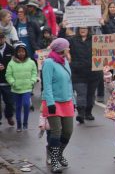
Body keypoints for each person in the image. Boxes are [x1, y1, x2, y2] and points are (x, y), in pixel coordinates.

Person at [41, 38, 74, 173]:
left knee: (68, 131)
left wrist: (74, 101)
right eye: (68, 47)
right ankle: (54, 161)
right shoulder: (48, 63)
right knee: (56, 131)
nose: (69, 49)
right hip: (53, 102)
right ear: (61, 49)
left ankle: (58, 153)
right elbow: (47, 84)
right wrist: (50, 103)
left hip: (67, 101)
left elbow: (69, 82)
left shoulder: (65, 61)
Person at [59, 26, 102, 123]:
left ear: (89, 29)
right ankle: (81, 113)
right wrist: (63, 28)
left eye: (85, 28)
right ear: (78, 30)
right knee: (81, 94)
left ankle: (88, 112)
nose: (83, 30)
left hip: (93, 73)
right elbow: (61, 42)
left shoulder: (95, 40)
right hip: (78, 72)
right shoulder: (72, 40)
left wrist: (103, 24)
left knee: (90, 94)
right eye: (81, 28)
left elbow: (108, 42)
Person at [5, 42, 37, 131]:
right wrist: (13, 83)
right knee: (18, 107)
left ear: (26, 52)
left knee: (26, 105)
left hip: (27, 88)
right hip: (16, 89)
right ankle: (19, 125)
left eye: (23, 51)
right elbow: (8, 75)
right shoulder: (11, 63)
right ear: (16, 53)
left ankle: (25, 123)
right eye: (19, 51)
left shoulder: (31, 62)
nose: (21, 53)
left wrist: (32, 81)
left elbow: (34, 72)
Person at [0, 32, 15, 126]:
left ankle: (9, 116)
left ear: (4, 38)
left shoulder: (11, 49)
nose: (0, 40)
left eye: (1, 38)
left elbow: (16, 63)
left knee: (9, 102)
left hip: (7, 81)